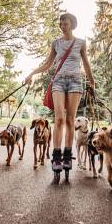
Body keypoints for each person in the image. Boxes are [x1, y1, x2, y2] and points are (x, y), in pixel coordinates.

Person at [24, 12, 95, 176]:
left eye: (66, 23)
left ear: (73, 24)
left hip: (76, 82)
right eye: (61, 23)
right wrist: (31, 74)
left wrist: (91, 82)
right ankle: (57, 156)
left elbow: (86, 64)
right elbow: (48, 64)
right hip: (58, 82)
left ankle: (68, 155)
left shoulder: (81, 43)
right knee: (59, 119)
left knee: (70, 119)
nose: (63, 25)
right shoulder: (56, 43)